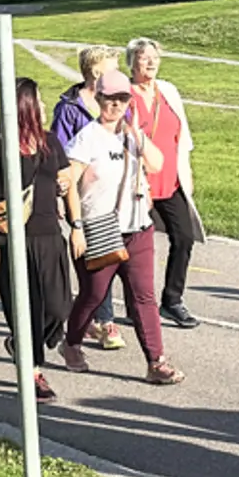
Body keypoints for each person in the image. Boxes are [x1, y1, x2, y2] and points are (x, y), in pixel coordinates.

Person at [60, 67, 185, 386]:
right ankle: (71, 343)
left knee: (143, 297)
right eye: (109, 99)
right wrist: (75, 226)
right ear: (98, 98)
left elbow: (156, 164)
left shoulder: (132, 135)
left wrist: (138, 136)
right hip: (99, 228)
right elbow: (69, 184)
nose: (115, 105)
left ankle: (156, 362)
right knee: (93, 294)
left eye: (121, 99)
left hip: (138, 227)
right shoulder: (87, 138)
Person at [0, 77, 82, 403]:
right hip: (12, 240)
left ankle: (23, 344)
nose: (42, 105)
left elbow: (68, 184)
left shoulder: (51, 142)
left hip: (50, 235)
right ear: (24, 106)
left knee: (59, 305)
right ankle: (33, 372)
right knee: (25, 309)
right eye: (37, 100)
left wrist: (76, 225)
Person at [54, 44, 127, 351]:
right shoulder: (70, 108)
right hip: (83, 199)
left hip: (114, 197)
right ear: (95, 73)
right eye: (110, 70)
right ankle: (98, 321)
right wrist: (61, 195)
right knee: (97, 262)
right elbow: (58, 154)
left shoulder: (118, 103)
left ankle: (94, 318)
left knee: (105, 260)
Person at [126, 37, 203, 328]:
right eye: (145, 57)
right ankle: (137, 303)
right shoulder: (126, 95)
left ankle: (172, 300)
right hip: (138, 183)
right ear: (132, 62)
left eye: (155, 57)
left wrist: (188, 169)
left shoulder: (168, 91)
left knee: (183, 237)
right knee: (135, 245)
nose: (151, 62)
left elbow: (182, 136)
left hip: (170, 180)